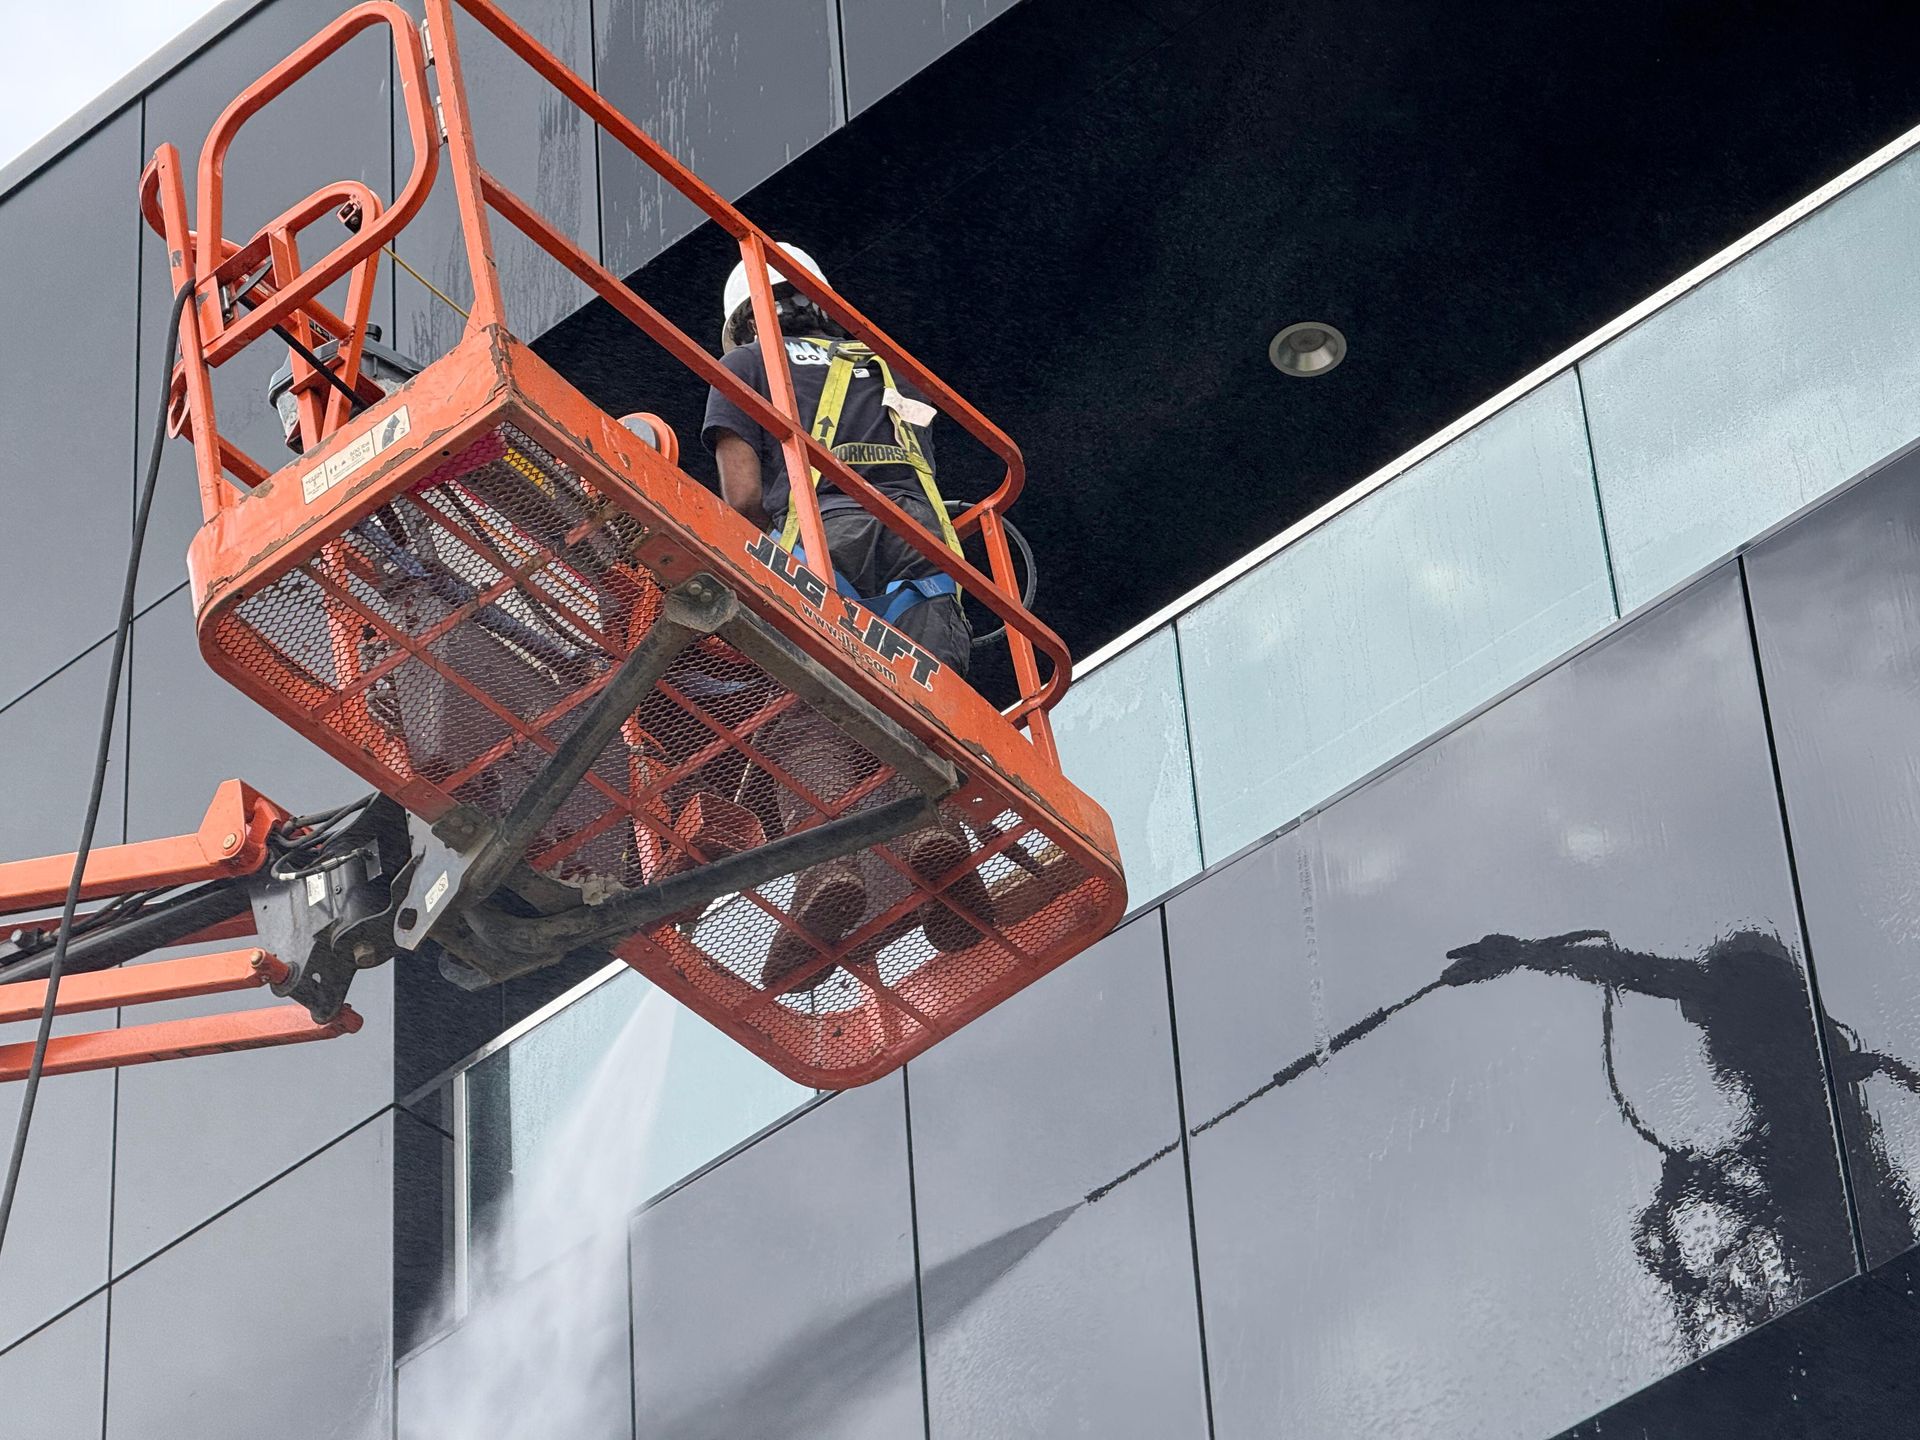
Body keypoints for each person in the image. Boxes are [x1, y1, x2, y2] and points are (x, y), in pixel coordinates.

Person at [701, 244, 992, 992]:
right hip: (923, 552)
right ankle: (935, 833)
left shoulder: (741, 370)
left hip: (819, 547)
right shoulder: (890, 367)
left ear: (741, 318)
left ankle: (828, 870)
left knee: (809, 714)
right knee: (913, 702)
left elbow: (739, 500)